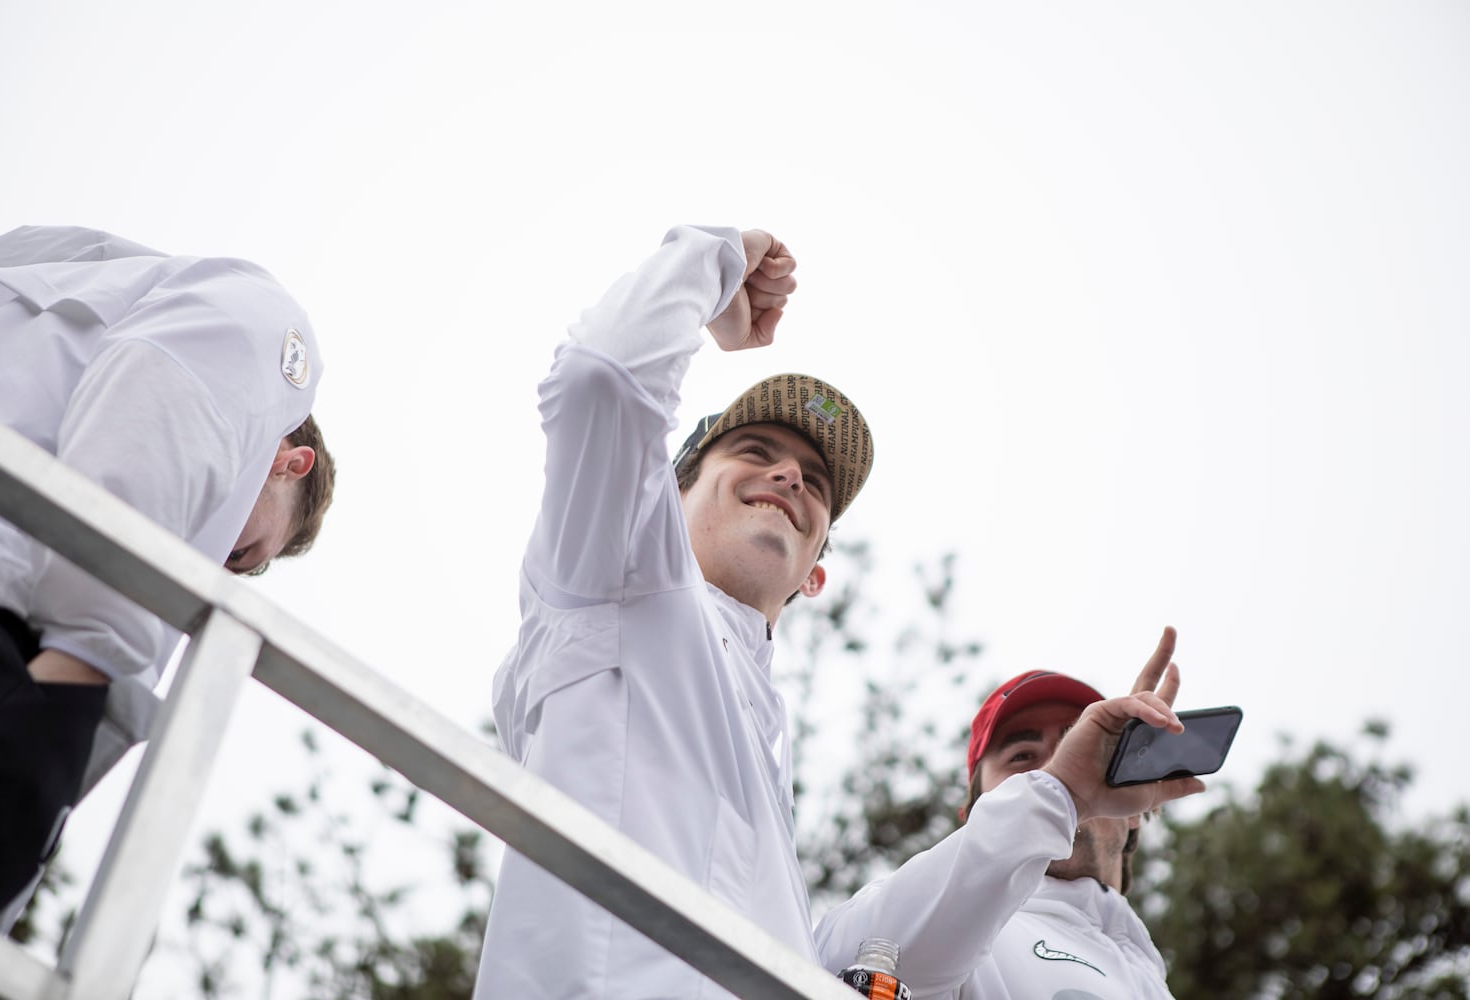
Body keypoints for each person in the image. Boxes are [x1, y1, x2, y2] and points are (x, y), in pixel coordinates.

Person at [478, 224, 1202, 998]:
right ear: (670, 491)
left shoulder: (758, 747)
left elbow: (876, 953)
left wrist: (1057, 791)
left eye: (815, 482)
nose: (789, 475)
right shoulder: (615, 575)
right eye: (754, 452)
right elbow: (603, 378)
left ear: (814, 575)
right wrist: (720, 265)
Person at [0, 225, 337, 927]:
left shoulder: (90, 292)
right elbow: (163, 409)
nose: (214, 564)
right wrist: (85, 663)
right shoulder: (271, 333)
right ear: (291, 463)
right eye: (241, 552)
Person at [814, 657, 1185, 998]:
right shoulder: (946, 934)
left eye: (1092, 755)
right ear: (980, 812)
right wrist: (1059, 794)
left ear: (1137, 809)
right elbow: (855, 967)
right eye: (1022, 757)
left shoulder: (1152, 982)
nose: (1063, 767)